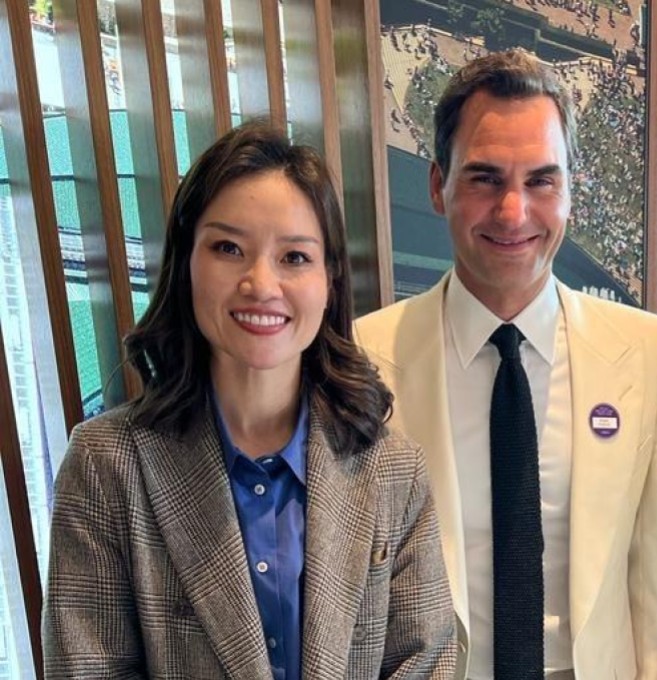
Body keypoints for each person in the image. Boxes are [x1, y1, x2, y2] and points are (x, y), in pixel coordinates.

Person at [42, 122, 457, 679]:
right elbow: (85, 668)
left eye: (294, 257)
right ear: (187, 262)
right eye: (229, 248)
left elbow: (425, 662)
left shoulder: (393, 470)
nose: (261, 283)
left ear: (330, 278)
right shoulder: (105, 466)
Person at [355, 50, 657, 679]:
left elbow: (653, 577)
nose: (513, 212)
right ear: (436, 185)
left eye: (540, 180)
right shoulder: (366, 358)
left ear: (569, 190)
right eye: (483, 178)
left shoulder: (648, 351)